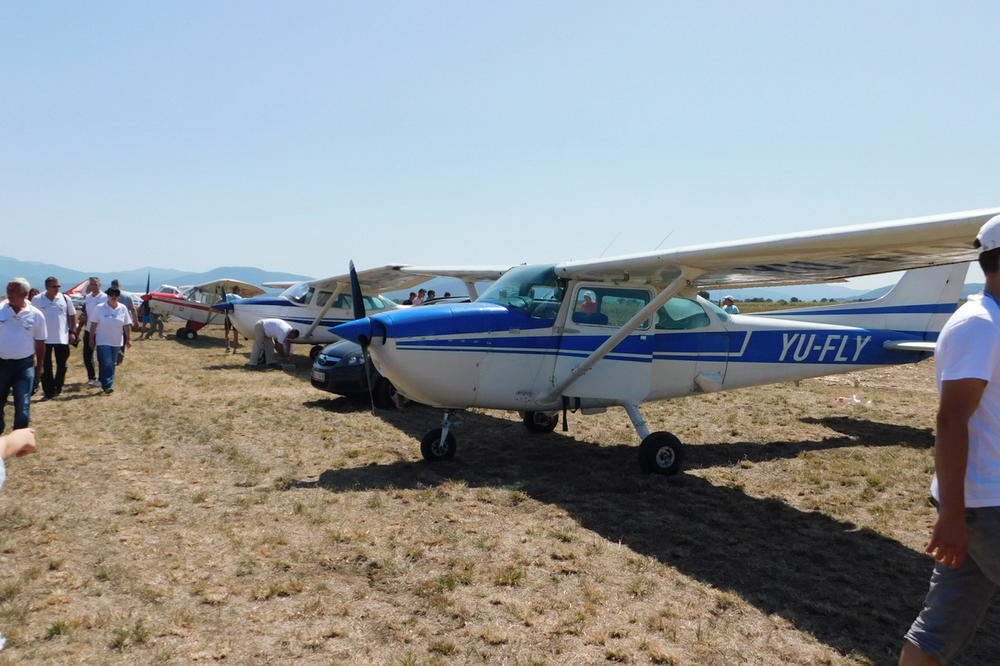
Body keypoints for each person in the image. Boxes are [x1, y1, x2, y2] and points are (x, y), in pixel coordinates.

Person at [900, 213, 1000, 665]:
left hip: (980, 502)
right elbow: (951, 420)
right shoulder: (980, 325)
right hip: (986, 504)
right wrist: (954, 516)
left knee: (939, 629)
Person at [0, 279, 46, 433]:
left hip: (24, 365)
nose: (9, 294)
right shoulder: (1, 310)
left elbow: (40, 343)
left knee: (23, 403)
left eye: (13, 291)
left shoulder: (36, 315)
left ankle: (20, 437)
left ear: (25, 294)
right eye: (8, 290)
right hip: (2, 363)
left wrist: (39, 367)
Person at [31, 277, 77, 400]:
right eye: (54, 286)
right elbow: (32, 318)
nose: (57, 289)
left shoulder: (65, 298)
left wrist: (73, 332)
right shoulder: (37, 300)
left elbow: (72, 316)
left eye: (58, 286)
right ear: (47, 287)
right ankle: (48, 391)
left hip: (62, 337)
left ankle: (58, 387)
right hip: (43, 338)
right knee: (45, 365)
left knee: (62, 364)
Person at [89, 287, 132, 394]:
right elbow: (93, 324)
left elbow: (126, 324)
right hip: (103, 340)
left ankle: (106, 382)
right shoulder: (100, 308)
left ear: (118, 297)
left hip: (117, 341)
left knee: (112, 363)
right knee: (107, 362)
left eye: (116, 295)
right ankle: (107, 385)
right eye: (111, 295)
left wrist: (129, 339)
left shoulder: (123, 308)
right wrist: (91, 338)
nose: (113, 297)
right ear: (107, 296)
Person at [75, 277, 106, 387]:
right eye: (91, 284)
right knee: (87, 356)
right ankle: (91, 377)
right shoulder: (87, 298)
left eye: (95, 284)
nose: (93, 286)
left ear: (99, 285)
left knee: (101, 356)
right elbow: (85, 312)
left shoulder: (105, 298)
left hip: (101, 331)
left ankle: (102, 378)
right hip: (88, 330)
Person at [224, 285, 244, 352]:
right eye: (239, 290)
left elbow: (221, 301)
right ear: (237, 291)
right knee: (235, 333)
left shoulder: (227, 296)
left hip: (228, 316)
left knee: (227, 333)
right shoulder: (240, 298)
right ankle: (235, 350)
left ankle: (228, 347)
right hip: (235, 317)